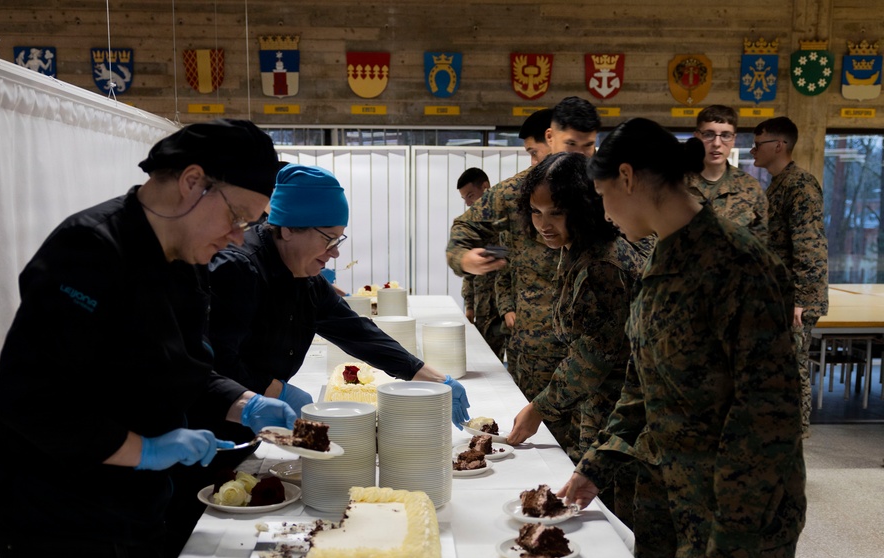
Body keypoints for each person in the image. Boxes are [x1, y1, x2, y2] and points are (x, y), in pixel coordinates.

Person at [0, 120, 298, 558]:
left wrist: (242, 403)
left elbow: (187, 366)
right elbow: (34, 401)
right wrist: (145, 450)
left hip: (130, 497)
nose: (239, 237)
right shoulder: (88, 250)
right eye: (238, 217)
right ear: (193, 182)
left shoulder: (185, 258)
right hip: (48, 503)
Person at [559, 118, 806, 558]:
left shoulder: (738, 264)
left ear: (627, 177)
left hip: (727, 516)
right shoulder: (663, 258)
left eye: (603, 194)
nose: (604, 212)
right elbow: (643, 384)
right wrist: (597, 465)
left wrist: (736, 530)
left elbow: (768, 413)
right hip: (669, 503)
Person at [205, 162, 471, 424]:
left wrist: (433, 378)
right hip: (212, 427)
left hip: (254, 422)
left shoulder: (307, 279)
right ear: (288, 230)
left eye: (338, 240)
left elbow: (358, 333)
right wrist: (275, 391)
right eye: (328, 238)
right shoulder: (239, 269)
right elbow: (215, 360)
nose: (335, 252)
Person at [446, 97, 601, 451]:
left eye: (588, 146)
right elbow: (464, 229)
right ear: (551, 138)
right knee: (535, 453)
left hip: (596, 356)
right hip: (537, 351)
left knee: (587, 456)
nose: (580, 156)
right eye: (571, 145)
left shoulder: (605, 191)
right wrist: (465, 259)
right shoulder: (518, 192)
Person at [504, 152, 644, 526]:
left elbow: (594, 356)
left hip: (620, 417)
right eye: (536, 212)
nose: (544, 224)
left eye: (556, 213)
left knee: (612, 521)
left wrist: (539, 408)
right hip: (602, 406)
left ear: (584, 208)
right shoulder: (579, 248)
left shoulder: (602, 263)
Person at [751, 116, 829, 439]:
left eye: (758, 145)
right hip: (779, 295)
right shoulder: (780, 184)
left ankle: (794, 439)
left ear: (779, 146)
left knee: (792, 369)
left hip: (794, 301)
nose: (753, 151)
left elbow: (810, 248)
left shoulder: (800, 186)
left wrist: (800, 301)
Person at [685, 104, 769, 244]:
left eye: (725, 135)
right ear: (697, 137)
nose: (717, 143)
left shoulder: (750, 188)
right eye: (708, 134)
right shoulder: (674, 184)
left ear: (733, 140)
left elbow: (760, 246)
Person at [456, 167, 506, 358]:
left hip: (508, 310)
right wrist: (469, 306)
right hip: (483, 308)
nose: (468, 203)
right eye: (464, 199)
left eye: (471, 196)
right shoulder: (473, 226)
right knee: (486, 359)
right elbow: (469, 272)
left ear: (485, 187)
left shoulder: (506, 219)